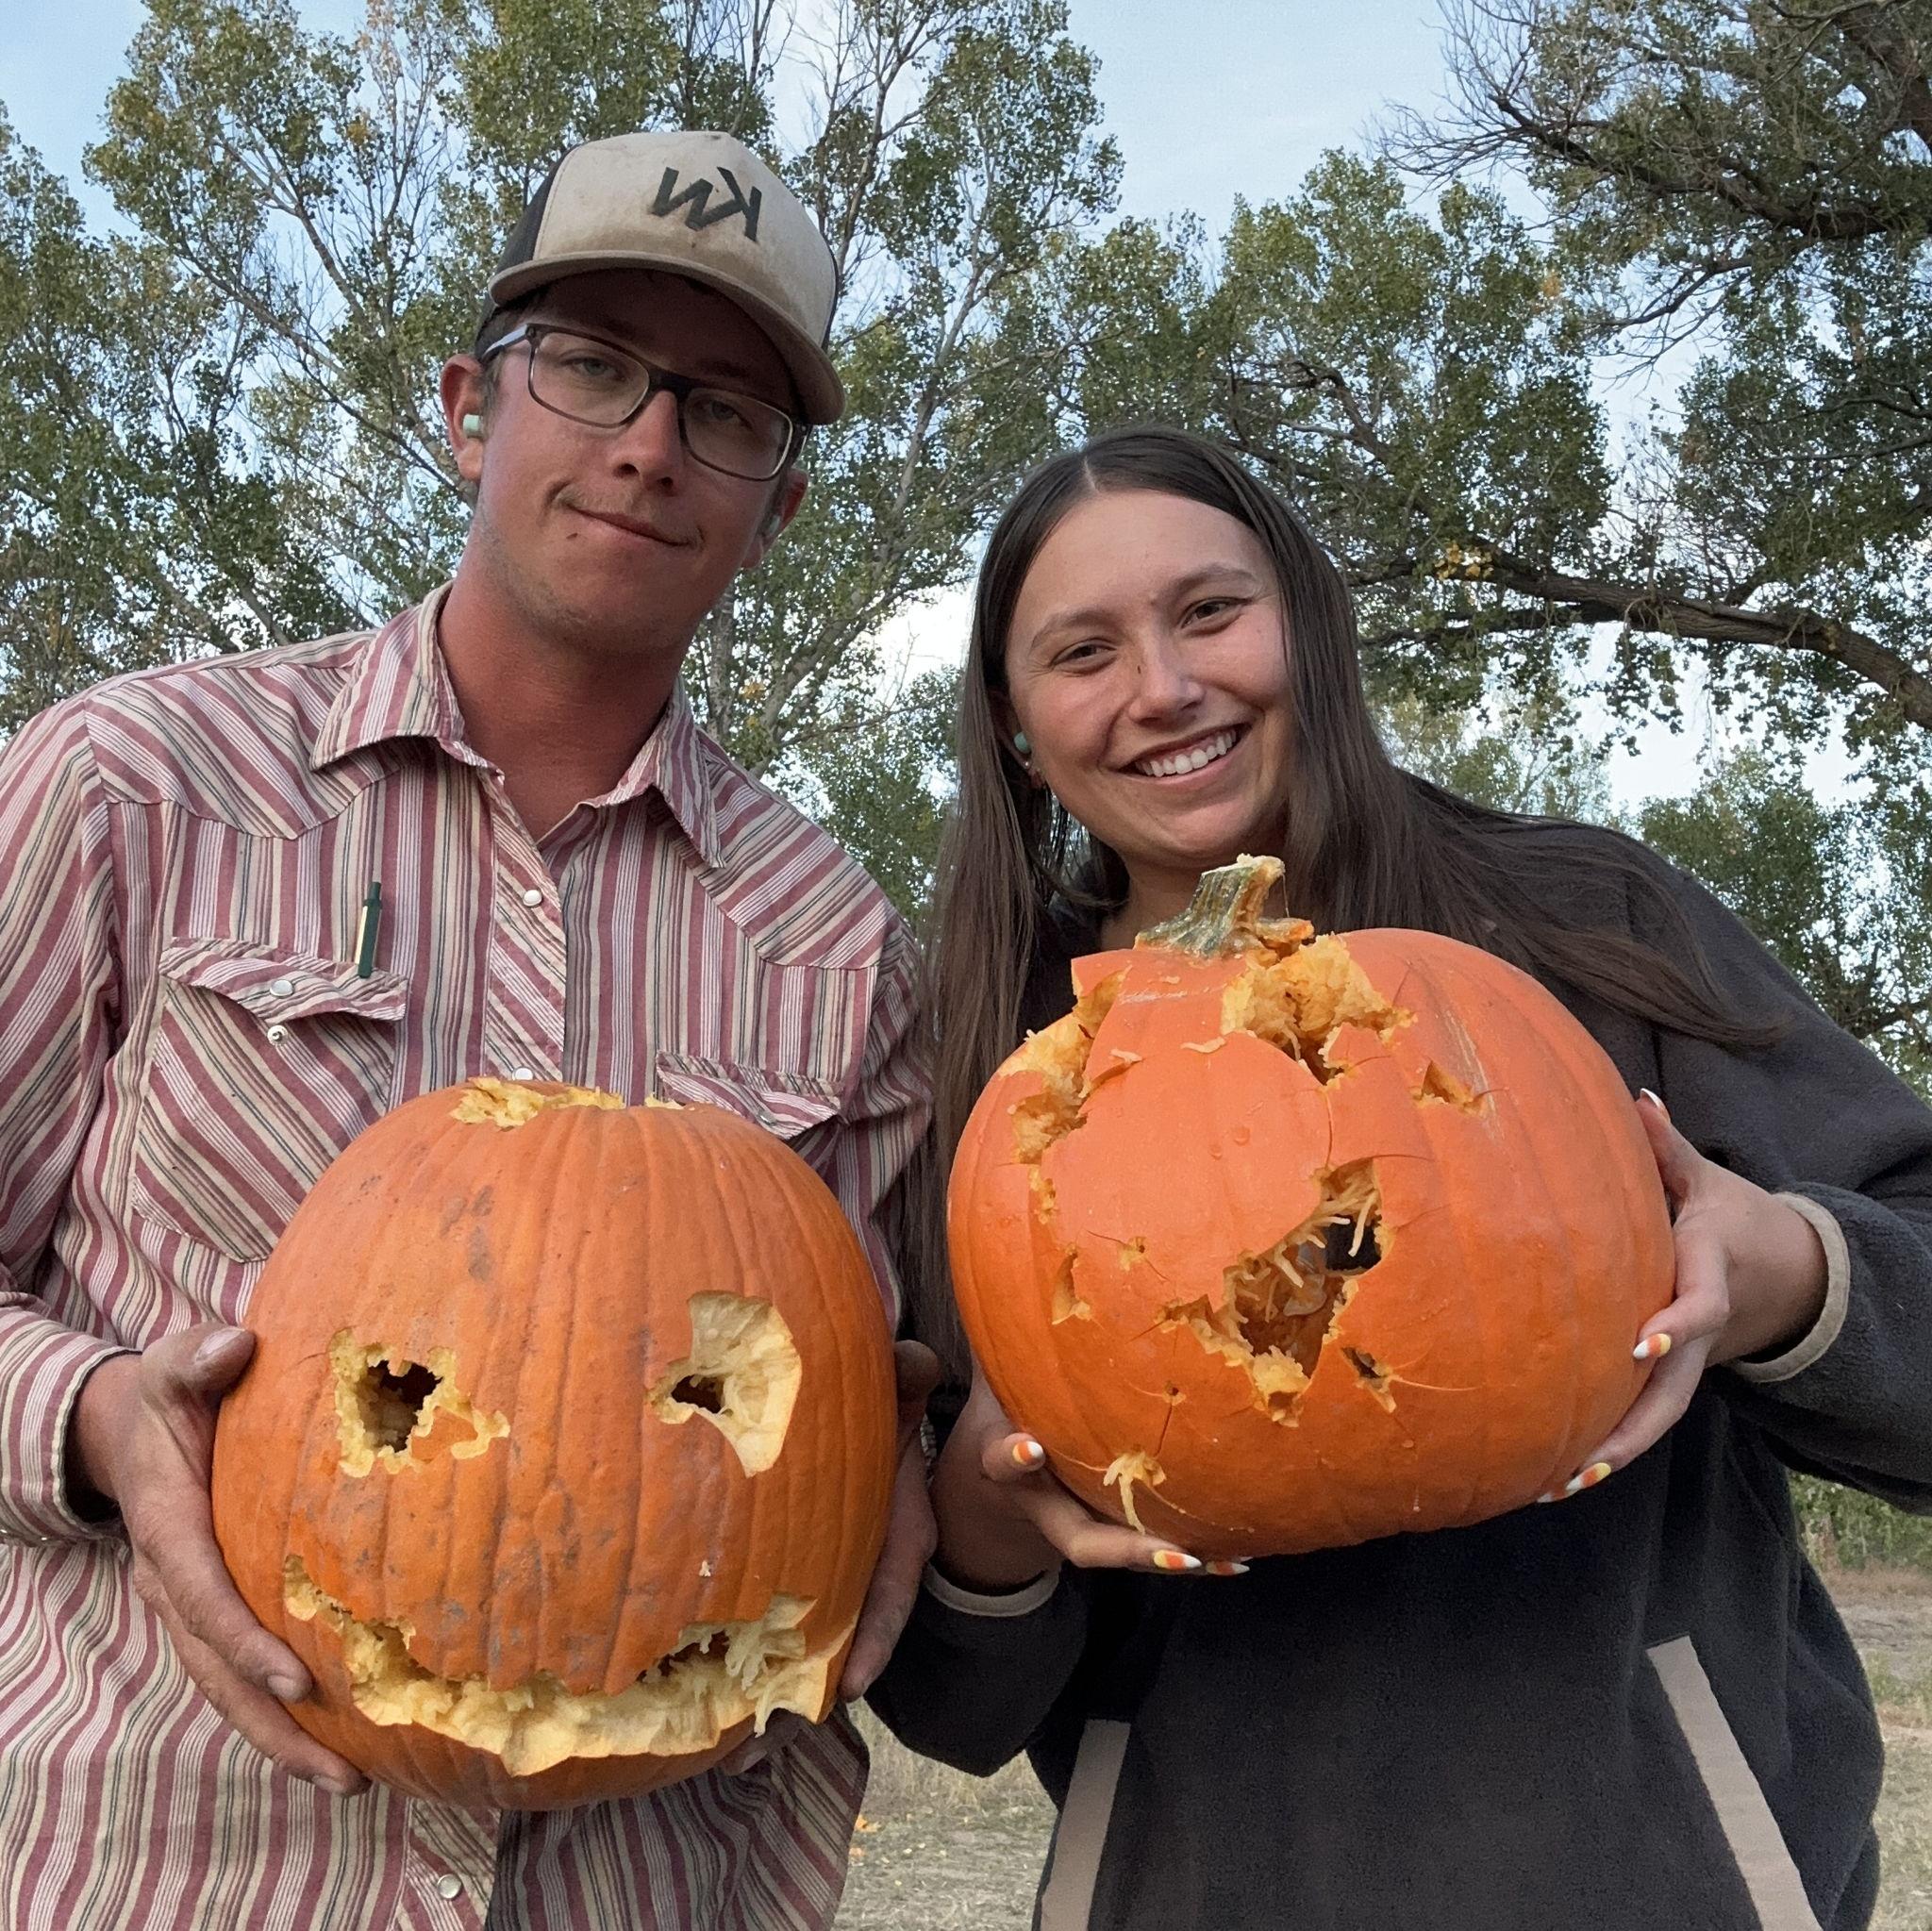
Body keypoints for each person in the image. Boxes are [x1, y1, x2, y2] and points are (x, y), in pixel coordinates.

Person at [0, 128, 936, 1931]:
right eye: (592, 366)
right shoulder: (130, 787)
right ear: (465, 406)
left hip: (655, 1879)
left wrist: (893, 1473)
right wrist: (94, 1415)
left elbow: (868, 1395)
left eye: (727, 411)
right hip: (158, 1868)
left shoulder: (842, 948)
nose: (652, 443)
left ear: (777, 505)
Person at [868, 425, 1932, 1931]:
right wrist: (982, 1520)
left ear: (1305, 622)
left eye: (1211, 612)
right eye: (1086, 651)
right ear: (1019, 725)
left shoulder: (1580, 933)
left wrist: (1785, 1278)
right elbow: (958, 1716)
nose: (1165, 688)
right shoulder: (1001, 1066)